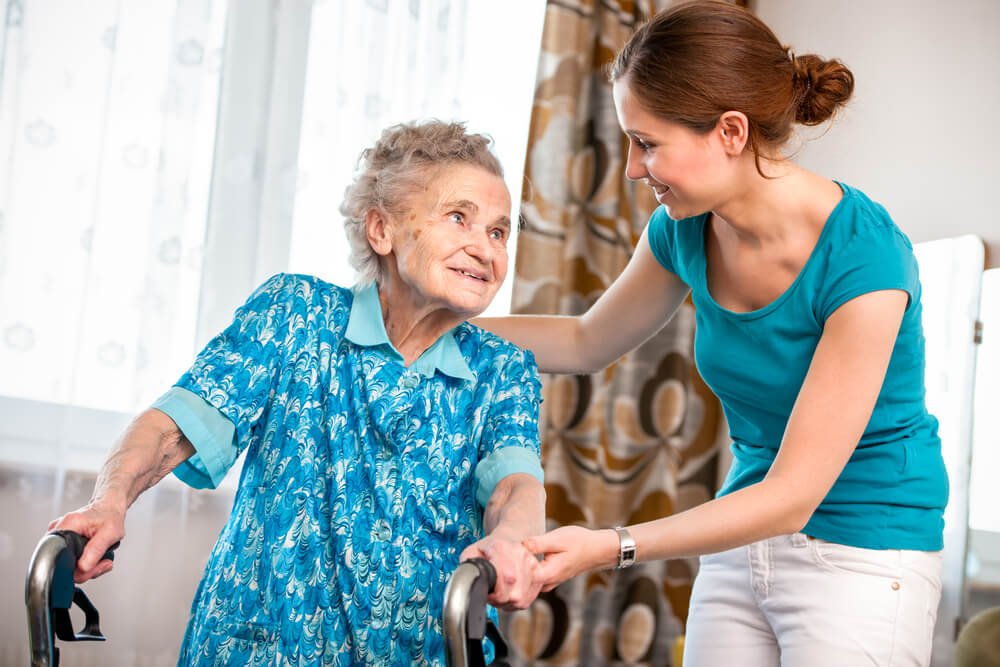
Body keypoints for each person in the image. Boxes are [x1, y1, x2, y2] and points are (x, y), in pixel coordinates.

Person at [475, 2, 946, 665]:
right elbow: (586, 339)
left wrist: (611, 544)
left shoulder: (865, 258)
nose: (634, 170)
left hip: (865, 550)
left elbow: (792, 495)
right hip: (744, 534)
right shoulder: (685, 228)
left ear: (729, 131)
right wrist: (439, 326)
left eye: (647, 143)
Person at [48, 120, 547, 665]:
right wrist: (110, 501)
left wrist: (512, 542)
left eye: (499, 232)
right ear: (381, 230)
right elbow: (173, 426)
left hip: (417, 651)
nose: (485, 249)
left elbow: (513, 488)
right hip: (263, 646)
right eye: (459, 218)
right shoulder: (296, 314)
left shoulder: (503, 370)